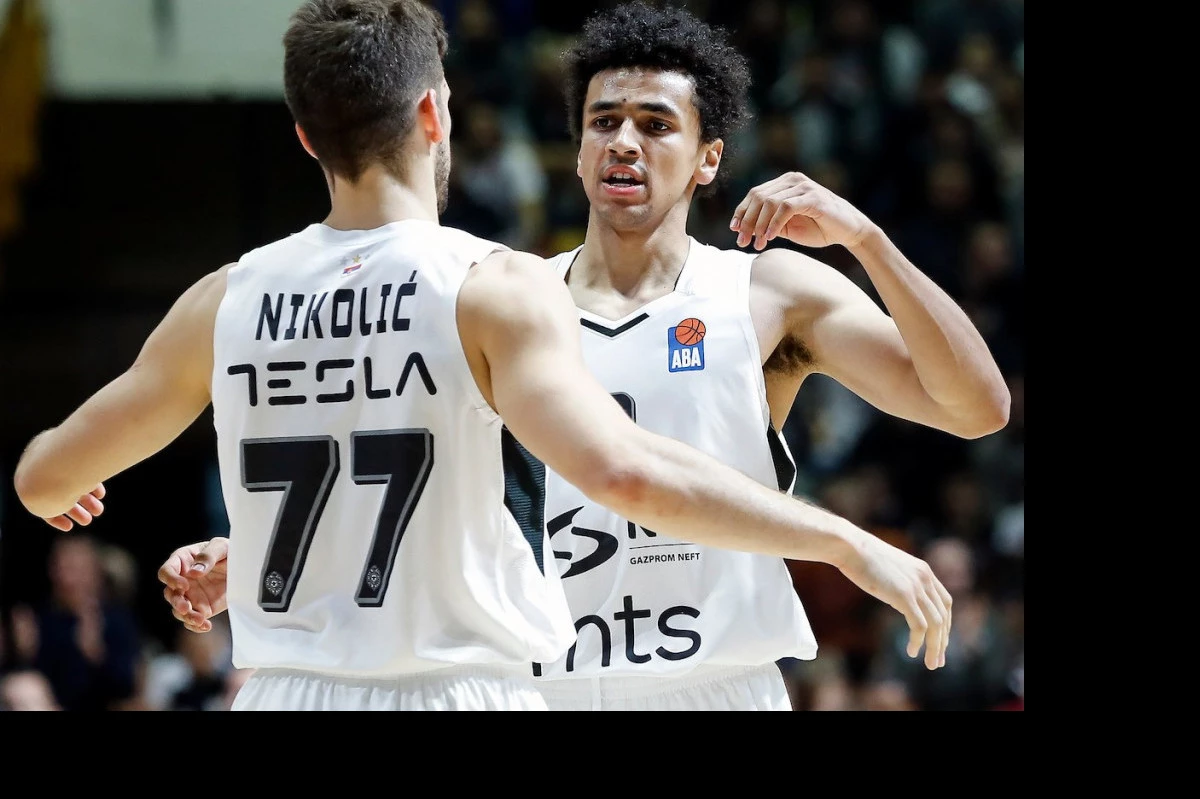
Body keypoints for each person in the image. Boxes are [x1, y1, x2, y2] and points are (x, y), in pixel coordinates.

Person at [13, 0, 952, 712]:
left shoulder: (226, 298)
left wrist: (89, 494)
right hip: (461, 686)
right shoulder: (490, 284)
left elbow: (42, 478)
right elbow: (623, 471)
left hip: (284, 688)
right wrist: (842, 539)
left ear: (303, 136)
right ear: (434, 113)